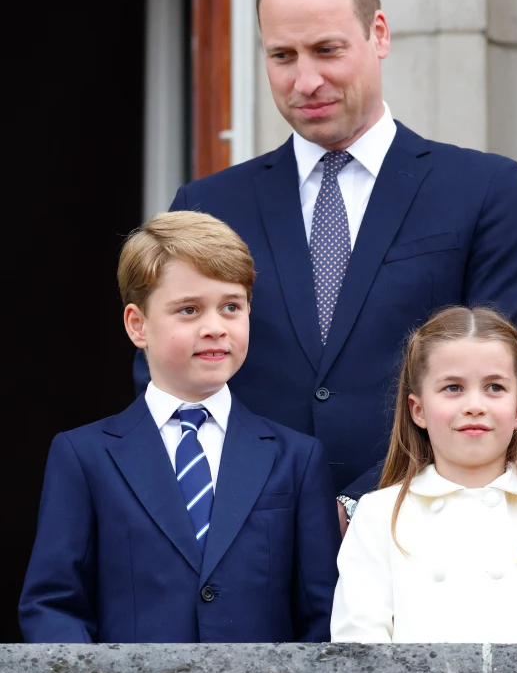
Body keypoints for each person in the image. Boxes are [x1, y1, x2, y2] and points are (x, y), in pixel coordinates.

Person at [138, 0, 517, 532]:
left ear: (378, 33)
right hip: (247, 548)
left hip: (429, 535)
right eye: (282, 56)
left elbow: (506, 372)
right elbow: (165, 378)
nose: (306, 81)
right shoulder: (208, 205)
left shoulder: (483, 189)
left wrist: (364, 505)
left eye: (327, 50)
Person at [20, 212, 340, 642]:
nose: (214, 328)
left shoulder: (297, 458)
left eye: (231, 306)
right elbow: (53, 605)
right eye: (189, 310)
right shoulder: (84, 455)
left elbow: (323, 614)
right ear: (138, 325)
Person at [330, 307, 517, 643]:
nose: (474, 405)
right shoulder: (378, 515)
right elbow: (360, 658)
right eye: (453, 388)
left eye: (494, 387)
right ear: (418, 410)